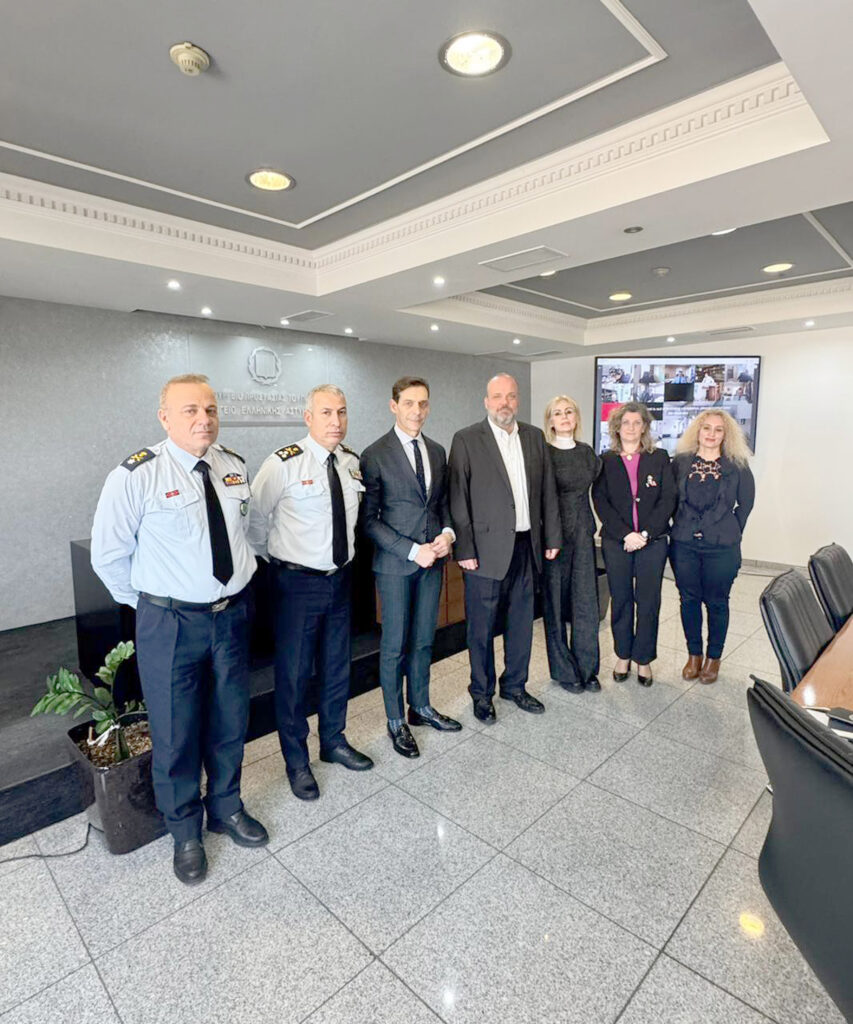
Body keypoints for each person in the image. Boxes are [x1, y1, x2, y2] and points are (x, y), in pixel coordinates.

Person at [91, 374, 268, 885]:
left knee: (231, 719)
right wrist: (155, 604)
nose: (203, 419)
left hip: (230, 616)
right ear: (164, 417)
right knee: (175, 732)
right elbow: (108, 557)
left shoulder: (233, 465)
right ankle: (185, 831)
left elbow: (245, 533)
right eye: (190, 410)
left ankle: (227, 807)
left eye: (210, 409)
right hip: (169, 624)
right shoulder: (136, 475)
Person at [249, 385, 373, 802]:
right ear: (308, 417)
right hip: (297, 585)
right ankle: (297, 761)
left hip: (341, 579)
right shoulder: (282, 464)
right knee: (295, 676)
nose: (335, 421)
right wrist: (280, 560)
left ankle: (333, 741)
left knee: (338, 667)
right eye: (326, 413)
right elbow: (254, 523)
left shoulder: (351, 463)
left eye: (341, 412)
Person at [448, 373, 561, 722]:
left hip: (527, 546)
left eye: (510, 396)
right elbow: (458, 498)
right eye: (497, 397)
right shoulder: (467, 439)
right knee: (481, 630)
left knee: (521, 623)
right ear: (486, 401)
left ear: (518, 400)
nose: (504, 403)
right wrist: (464, 549)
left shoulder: (534, 436)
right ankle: (481, 693)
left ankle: (515, 686)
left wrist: (552, 537)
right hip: (483, 552)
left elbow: (547, 490)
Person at [360, 376, 462, 758]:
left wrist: (448, 534)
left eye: (423, 403)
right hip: (395, 566)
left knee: (423, 641)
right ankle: (395, 720)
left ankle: (420, 707)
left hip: (433, 563)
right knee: (394, 646)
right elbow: (369, 521)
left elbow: (442, 504)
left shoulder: (436, 451)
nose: (416, 411)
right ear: (394, 406)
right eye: (408, 403)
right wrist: (410, 550)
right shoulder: (375, 454)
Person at [592, 402, 675, 686]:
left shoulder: (659, 457)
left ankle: (644, 659)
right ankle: (623, 655)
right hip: (618, 541)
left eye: (637, 422)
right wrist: (627, 534)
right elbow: (600, 500)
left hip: (653, 541)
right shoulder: (605, 460)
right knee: (622, 598)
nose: (630, 427)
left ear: (644, 427)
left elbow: (668, 498)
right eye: (625, 422)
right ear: (617, 427)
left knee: (649, 600)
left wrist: (646, 534)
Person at [670, 410, 755, 683]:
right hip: (684, 544)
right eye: (706, 428)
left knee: (717, 602)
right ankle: (694, 655)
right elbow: (670, 500)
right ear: (698, 431)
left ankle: (713, 658)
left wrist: (730, 531)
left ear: (726, 435)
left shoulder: (738, 465)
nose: (711, 434)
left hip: (721, 547)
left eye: (718, 430)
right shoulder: (680, 462)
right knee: (689, 599)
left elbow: (746, 504)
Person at [542, 396, 601, 693]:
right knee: (554, 604)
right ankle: (564, 671)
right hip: (554, 536)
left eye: (569, 412)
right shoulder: (544, 453)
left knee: (586, 601)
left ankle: (587, 669)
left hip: (583, 533)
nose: (564, 417)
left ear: (576, 417)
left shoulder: (587, 452)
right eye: (558, 413)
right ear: (550, 421)